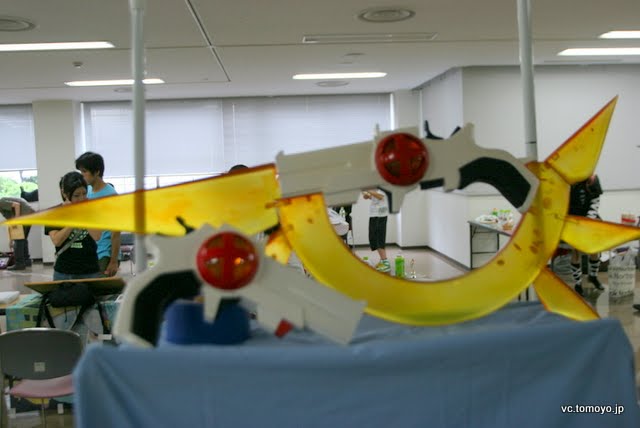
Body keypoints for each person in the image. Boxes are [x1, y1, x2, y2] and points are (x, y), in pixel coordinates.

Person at [46, 172, 102, 280]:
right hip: (64, 272)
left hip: (90, 270)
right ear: (65, 194)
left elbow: (97, 236)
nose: (81, 198)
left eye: (84, 193)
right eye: (76, 195)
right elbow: (57, 241)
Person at [75, 152, 121, 277]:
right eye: (80, 171)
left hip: (104, 254)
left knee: (97, 286)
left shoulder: (111, 196)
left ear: (96, 172)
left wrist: (113, 261)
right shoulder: (87, 191)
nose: (82, 175)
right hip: (89, 250)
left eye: (84, 171)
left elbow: (116, 233)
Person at [568, 174, 604, 295]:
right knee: (576, 251)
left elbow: (595, 200)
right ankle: (578, 283)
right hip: (573, 220)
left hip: (591, 220)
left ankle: (593, 276)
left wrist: (589, 220)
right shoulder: (566, 178)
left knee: (595, 249)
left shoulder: (591, 178)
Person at [0, 196, 35, 270]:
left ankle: (20, 264)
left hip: (25, 216)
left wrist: (17, 221)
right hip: (30, 215)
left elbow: (17, 205)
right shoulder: (4, 205)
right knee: (23, 239)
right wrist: (11, 240)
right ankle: (26, 261)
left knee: (19, 240)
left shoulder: (1, 202)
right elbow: (11, 225)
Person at [363, 189, 390, 272]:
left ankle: (385, 262)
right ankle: (382, 260)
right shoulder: (375, 187)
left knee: (379, 238)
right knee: (373, 237)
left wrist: (368, 190)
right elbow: (375, 197)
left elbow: (381, 196)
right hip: (374, 214)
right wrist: (368, 196)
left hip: (380, 215)